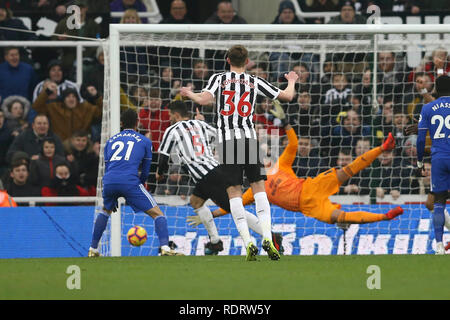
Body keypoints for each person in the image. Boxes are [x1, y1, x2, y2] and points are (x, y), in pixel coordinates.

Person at [190, 104, 403, 229]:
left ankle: (383, 147)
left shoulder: (280, 164)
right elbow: (231, 207)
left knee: (347, 171)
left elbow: (293, 143)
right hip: (309, 207)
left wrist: (285, 122)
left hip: (312, 187)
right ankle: (385, 216)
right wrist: (208, 215)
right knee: (340, 218)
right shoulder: (255, 190)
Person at [181, 44, 299, 261]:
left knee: (234, 192)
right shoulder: (254, 80)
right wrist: (291, 80)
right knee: (258, 188)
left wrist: (189, 93)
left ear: (227, 60)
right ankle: (267, 236)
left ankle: (248, 242)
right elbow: (287, 96)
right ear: (246, 62)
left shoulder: (219, 79)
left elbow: (205, 100)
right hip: (249, 139)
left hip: (227, 141)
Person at [157, 101, 284, 255]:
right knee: (196, 202)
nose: (169, 118)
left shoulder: (172, 130)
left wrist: (160, 173)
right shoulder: (200, 125)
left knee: (235, 209)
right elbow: (219, 136)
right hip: (211, 171)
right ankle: (215, 242)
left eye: (170, 115)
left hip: (208, 176)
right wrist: (201, 123)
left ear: (176, 115)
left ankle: (272, 235)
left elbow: (163, 156)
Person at [88, 109, 183, 257]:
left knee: (105, 211)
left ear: (121, 123)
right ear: (137, 123)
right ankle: (165, 247)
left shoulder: (110, 141)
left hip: (109, 181)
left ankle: (93, 250)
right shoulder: (145, 141)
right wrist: (141, 184)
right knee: (158, 214)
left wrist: (111, 190)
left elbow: (108, 167)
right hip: (130, 182)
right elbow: (145, 170)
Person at [417, 75, 450, 255]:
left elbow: (421, 138)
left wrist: (419, 161)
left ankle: (439, 246)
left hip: (438, 158)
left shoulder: (428, 108)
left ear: (436, 89)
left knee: (438, 203)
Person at [32, 82, 102, 141]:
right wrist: (47, 92)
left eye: (73, 97)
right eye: (68, 97)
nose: (71, 99)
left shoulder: (86, 108)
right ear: (63, 99)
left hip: (82, 145)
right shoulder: (54, 107)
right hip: (60, 146)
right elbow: (37, 107)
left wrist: (96, 96)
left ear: (77, 99)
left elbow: (103, 112)